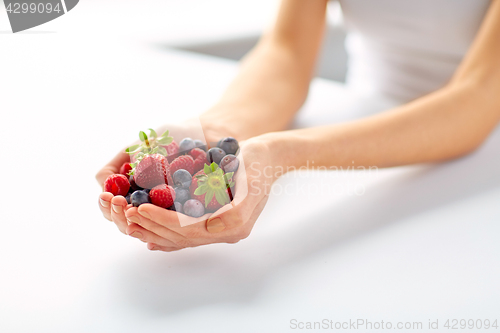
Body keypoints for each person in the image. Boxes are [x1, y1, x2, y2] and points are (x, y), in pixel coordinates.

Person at [97, 0, 500, 252]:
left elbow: (477, 100)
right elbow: (287, 51)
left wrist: (282, 152)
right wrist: (217, 132)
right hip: (362, 114)